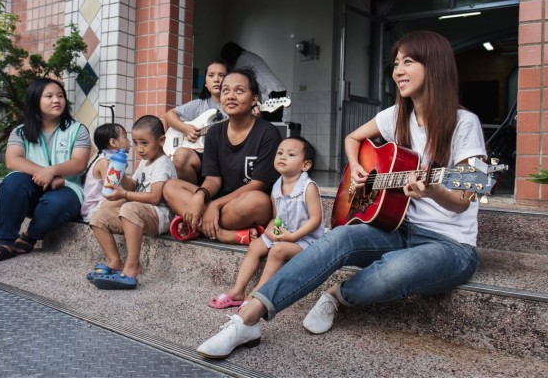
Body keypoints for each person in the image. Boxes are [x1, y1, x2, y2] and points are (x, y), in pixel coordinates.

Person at [197, 31, 487, 358]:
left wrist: (433, 190)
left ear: (435, 67)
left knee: (395, 269)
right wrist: (357, 169)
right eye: (395, 64)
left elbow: (464, 198)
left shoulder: (463, 123)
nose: (398, 71)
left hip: (450, 244)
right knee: (338, 239)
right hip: (397, 228)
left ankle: (336, 296)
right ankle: (246, 320)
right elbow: (352, 139)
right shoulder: (396, 116)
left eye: (409, 62)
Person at [0, 78, 91, 264]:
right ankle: (4, 242)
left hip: (67, 187)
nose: (57, 100)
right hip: (33, 186)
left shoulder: (77, 130)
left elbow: (79, 163)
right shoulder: (21, 132)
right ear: (35, 100)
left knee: (55, 205)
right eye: (49, 96)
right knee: (13, 182)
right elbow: (13, 160)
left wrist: (53, 171)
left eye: (60, 96)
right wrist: (45, 173)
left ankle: (30, 235)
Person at [163, 67, 282, 245]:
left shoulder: (268, 134)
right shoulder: (215, 132)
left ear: (254, 99)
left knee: (257, 201)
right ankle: (222, 234)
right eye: (226, 91)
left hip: (244, 203)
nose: (231, 96)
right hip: (220, 202)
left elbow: (258, 184)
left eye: (239, 91)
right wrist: (201, 196)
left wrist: (214, 205)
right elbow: (213, 179)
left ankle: (198, 225)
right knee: (170, 187)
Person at [208, 136, 325, 310]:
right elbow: (275, 218)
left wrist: (293, 236)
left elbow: (315, 219)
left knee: (277, 251)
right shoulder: (277, 187)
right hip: (284, 234)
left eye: (291, 154)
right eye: (279, 153)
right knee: (255, 246)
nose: (283, 157)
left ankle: (256, 294)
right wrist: (270, 230)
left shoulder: (308, 188)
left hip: (305, 240)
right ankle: (237, 291)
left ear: (305, 165)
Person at [87, 115, 177, 290]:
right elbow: (134, 185)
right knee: (99, 217)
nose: (139, 149)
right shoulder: (145, 162)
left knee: (128, 207)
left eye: (144, 142)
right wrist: (119, 174)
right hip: (138, 213)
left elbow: (155, 197)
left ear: (161, 140)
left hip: (160, 215)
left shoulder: (162, 163)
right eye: (135, 143)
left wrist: (125, 194)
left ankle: (132, 265)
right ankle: (114, 261)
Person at [164, 60, 229, 183]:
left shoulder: (237, 105)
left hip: (225, 156)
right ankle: (195, 194)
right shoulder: (199, 105)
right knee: (181, 156)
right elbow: (169, 115)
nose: (216, 79)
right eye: (211, 75)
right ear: (205, 83)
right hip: (201, 156)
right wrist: (185, 128)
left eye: (222, 75)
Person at [220, 42, 286, 120]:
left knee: (271, 123)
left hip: (272, 91)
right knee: (273, 121)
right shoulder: (247, 56)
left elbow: (239, 80)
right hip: (276, 89)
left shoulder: (242, 59)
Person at [80, 123, 131, 223]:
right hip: (93, 209)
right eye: (125, 137)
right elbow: (111, 188)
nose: (129, 141)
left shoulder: (113, 161)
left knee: (129, 198)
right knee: (125, 200)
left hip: (104, 203)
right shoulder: (104, 162)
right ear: (113, 142)